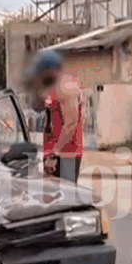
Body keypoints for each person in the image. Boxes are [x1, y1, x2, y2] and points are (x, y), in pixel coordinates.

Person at [27, 49, 84, 183]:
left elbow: (71, 123)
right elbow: (38, 108)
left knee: (64, 193)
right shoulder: (51, 88)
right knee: (51, 193)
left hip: (66, 153)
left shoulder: (66, 88)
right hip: (52, 151)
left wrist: (55, 153)